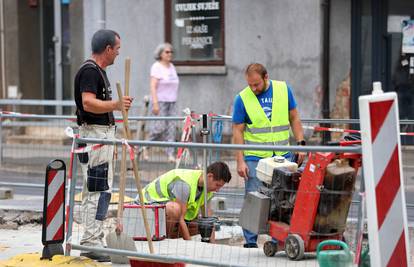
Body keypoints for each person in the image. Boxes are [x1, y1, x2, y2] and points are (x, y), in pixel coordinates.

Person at [232, 63, 306, 248]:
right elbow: (238, 131)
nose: (253, 88)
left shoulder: (283, 89)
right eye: (250, 85)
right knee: (253, 199)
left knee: (283, 199)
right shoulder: (242, 98)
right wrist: (240, 161)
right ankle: (250, 242)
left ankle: (278, 240)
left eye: (256, 84)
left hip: (282, 155)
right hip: (256, 158)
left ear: (266, 77)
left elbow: (294, 118)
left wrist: (301, 144)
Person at [74, 29, 133, 262]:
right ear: (108, 49)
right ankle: (91, 241)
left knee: (100, 190)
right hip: (95, 137)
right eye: (117, 48)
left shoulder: (99, 71)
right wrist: (116, 105)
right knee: (96, 190)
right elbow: (88, 103)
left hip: (101, 136)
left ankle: (94, 238)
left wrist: (115, 106)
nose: (118, 53)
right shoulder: (90, 71)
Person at [137, 161, 232, 242]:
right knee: (174, 209)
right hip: (144, 208)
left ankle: (169, 237)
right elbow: (180, 219)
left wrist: (212, 248)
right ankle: (165, 242)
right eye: (217, 185)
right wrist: (189, 247)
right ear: (210, 176)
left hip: (160, 214)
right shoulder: (184, 184)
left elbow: (208, 220)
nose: (217, 190)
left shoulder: (208, 189)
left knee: (201, 226)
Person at [143, 42, 179, 162]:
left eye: (171, 52)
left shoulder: (172, 67)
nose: (170, 54)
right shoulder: (156, 67)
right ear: (160, 54)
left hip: (172, 102)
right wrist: (155, 103)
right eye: (167, 52)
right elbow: (153, 86)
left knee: (171, 128)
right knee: (159, 127)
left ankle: (170, 154)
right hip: (161, 101)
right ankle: (145, 147)